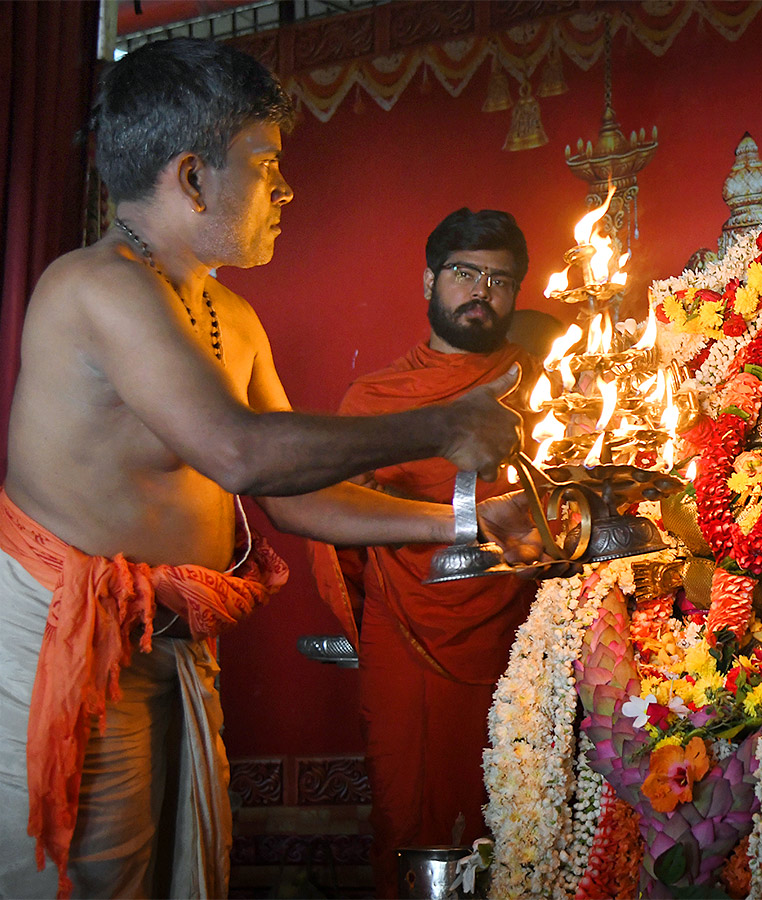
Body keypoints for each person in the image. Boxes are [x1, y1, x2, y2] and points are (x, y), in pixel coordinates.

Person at [0, 39, 541, 900]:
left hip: (173, 648)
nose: (284, 191)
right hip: (72, 647)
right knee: (87, 882)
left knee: (184, 878)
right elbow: (239, 452)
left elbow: (295, 494)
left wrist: (470, 522)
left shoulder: (229, 315)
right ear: (192, 177)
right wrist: (442, 426)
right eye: (266, 165)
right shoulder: (93, 288)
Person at [308, 208, 544, 898]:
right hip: (409, 633)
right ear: (429, 279)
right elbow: (338, 529)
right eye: (466, 272)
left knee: (518, 816)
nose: (483, 290)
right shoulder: (377, 399)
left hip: (524, 635)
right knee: (411, 822)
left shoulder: (546, 386)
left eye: (501, 279)